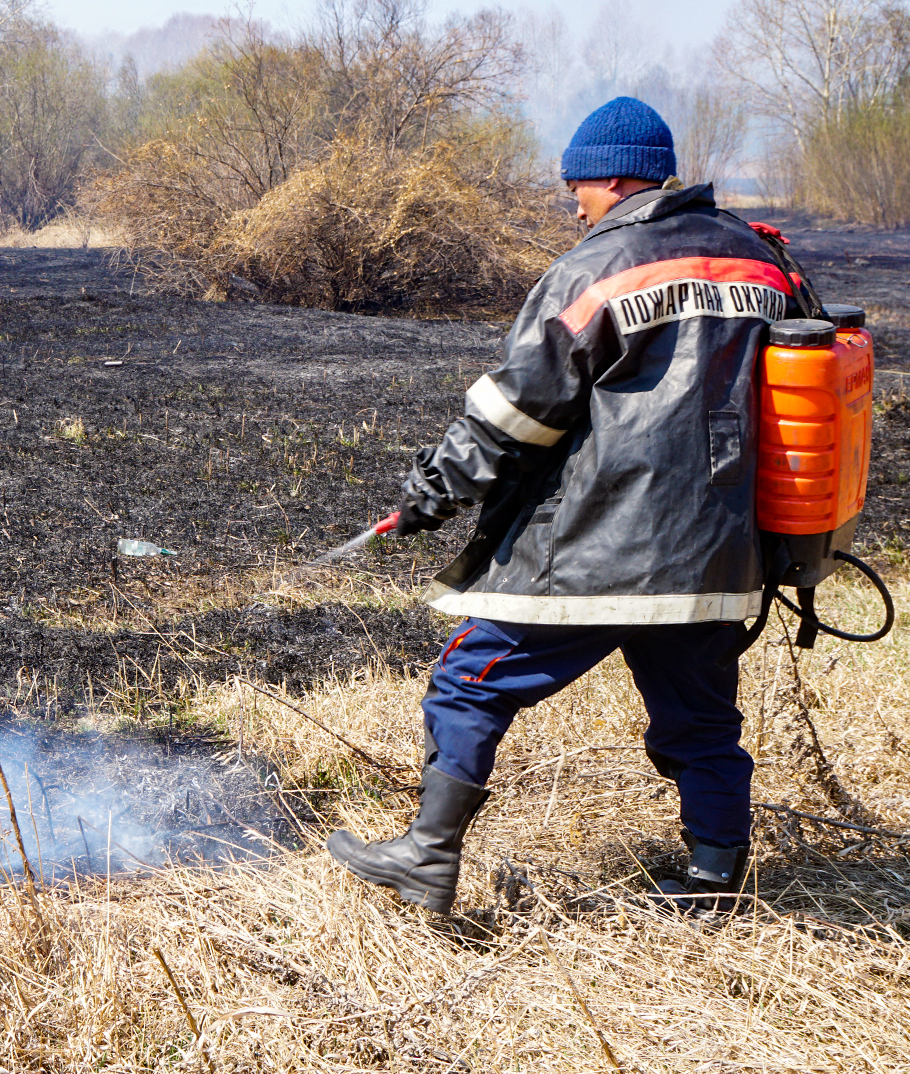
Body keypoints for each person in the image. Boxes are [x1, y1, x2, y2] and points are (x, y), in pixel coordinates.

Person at [326, 97, 796, 915]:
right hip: (721, 551)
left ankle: (427, 857)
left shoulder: (597, 269)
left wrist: (429, 495)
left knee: (470, 681)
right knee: (702, 718)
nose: (571, 201)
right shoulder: (766, 264)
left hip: (600, 548)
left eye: (575, 184)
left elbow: (518, 409)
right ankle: (716, 882)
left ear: (613, 177)